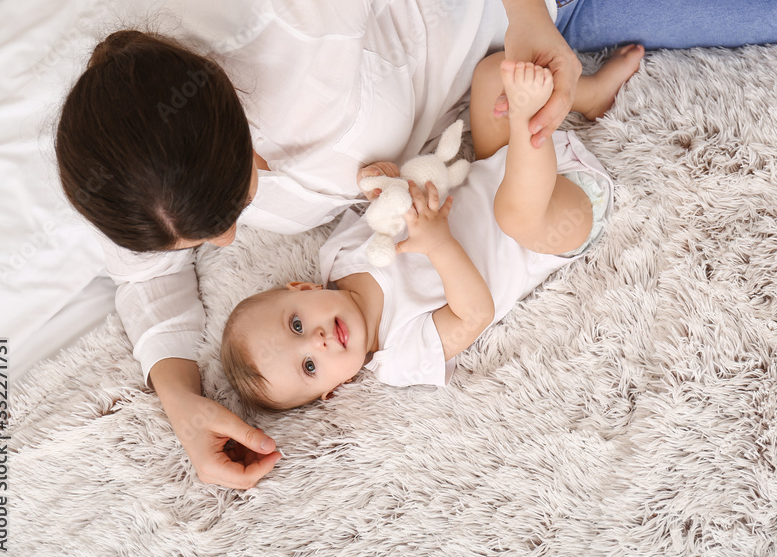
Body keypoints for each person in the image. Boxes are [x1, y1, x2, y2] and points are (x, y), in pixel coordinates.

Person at [55, 0, 777, 488]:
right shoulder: (154, 174)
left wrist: (528, 9)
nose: (234, 236)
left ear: (227, 112)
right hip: (554, 46)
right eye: (207, 243)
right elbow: (141, 265)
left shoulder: (282, 1)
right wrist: (179, 397)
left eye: (242, 195)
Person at [221, 47, 640, 410]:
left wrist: (386, 180)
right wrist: (438, 244)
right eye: (310, 367)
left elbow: (396, 202)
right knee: (515, 216)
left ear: (303, 289)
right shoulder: (400, 355)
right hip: (556, 222)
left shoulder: (339, 255)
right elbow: (475, 313)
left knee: (492, 74)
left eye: (295, 325)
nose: (318, 340)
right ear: (335, 388)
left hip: (498, 168)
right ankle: (531, 119)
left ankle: (588, 93)